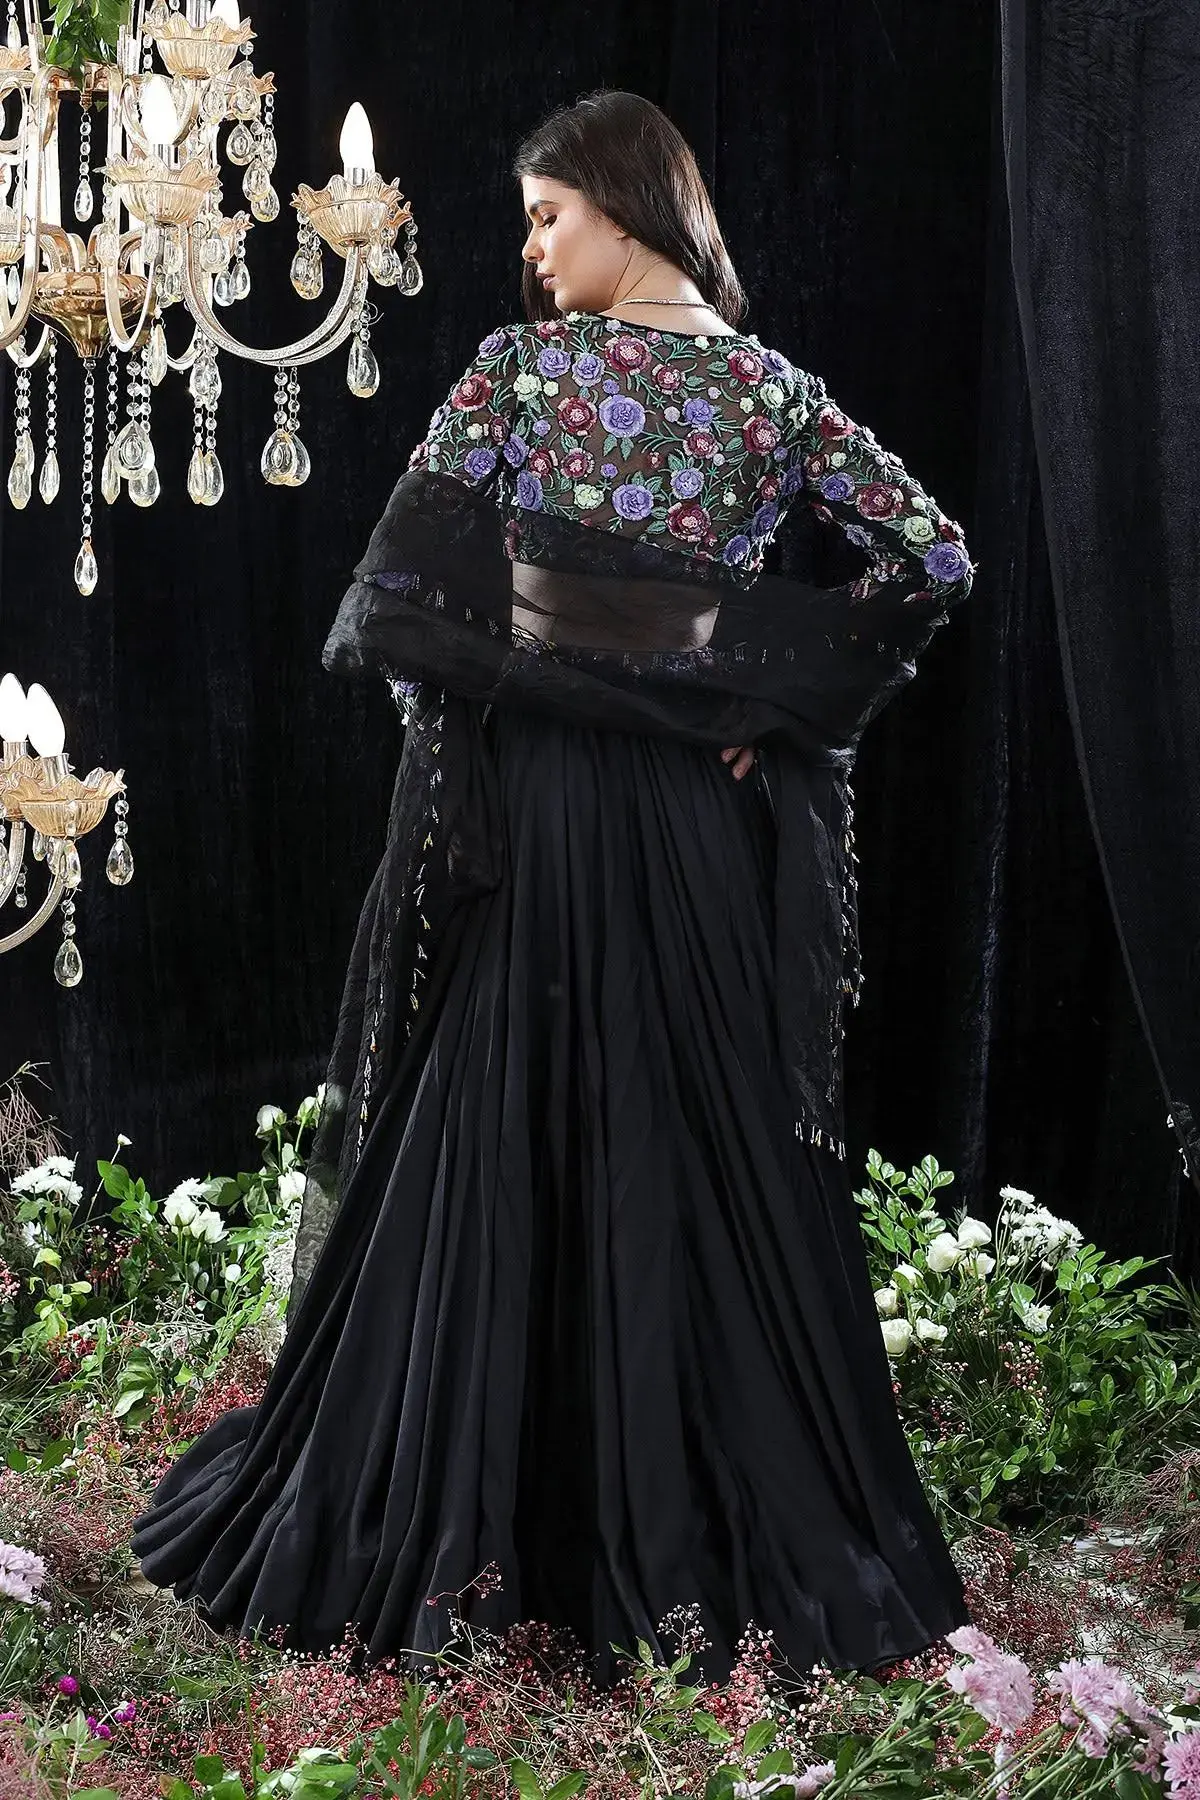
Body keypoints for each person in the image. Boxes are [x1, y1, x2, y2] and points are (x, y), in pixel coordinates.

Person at [130, 88, 979, 1691]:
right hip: (685, 817)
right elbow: (929, 558)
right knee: (669, 1124)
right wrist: (754, 697)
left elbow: (401, 595)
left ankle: (496, 1524)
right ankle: (676, 1530)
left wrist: (575, 688)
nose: (530, 252)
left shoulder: (522, 376)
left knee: (540, 1119)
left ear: (628, 202)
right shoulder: (775, 397)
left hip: (540, 803)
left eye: (546, 215)